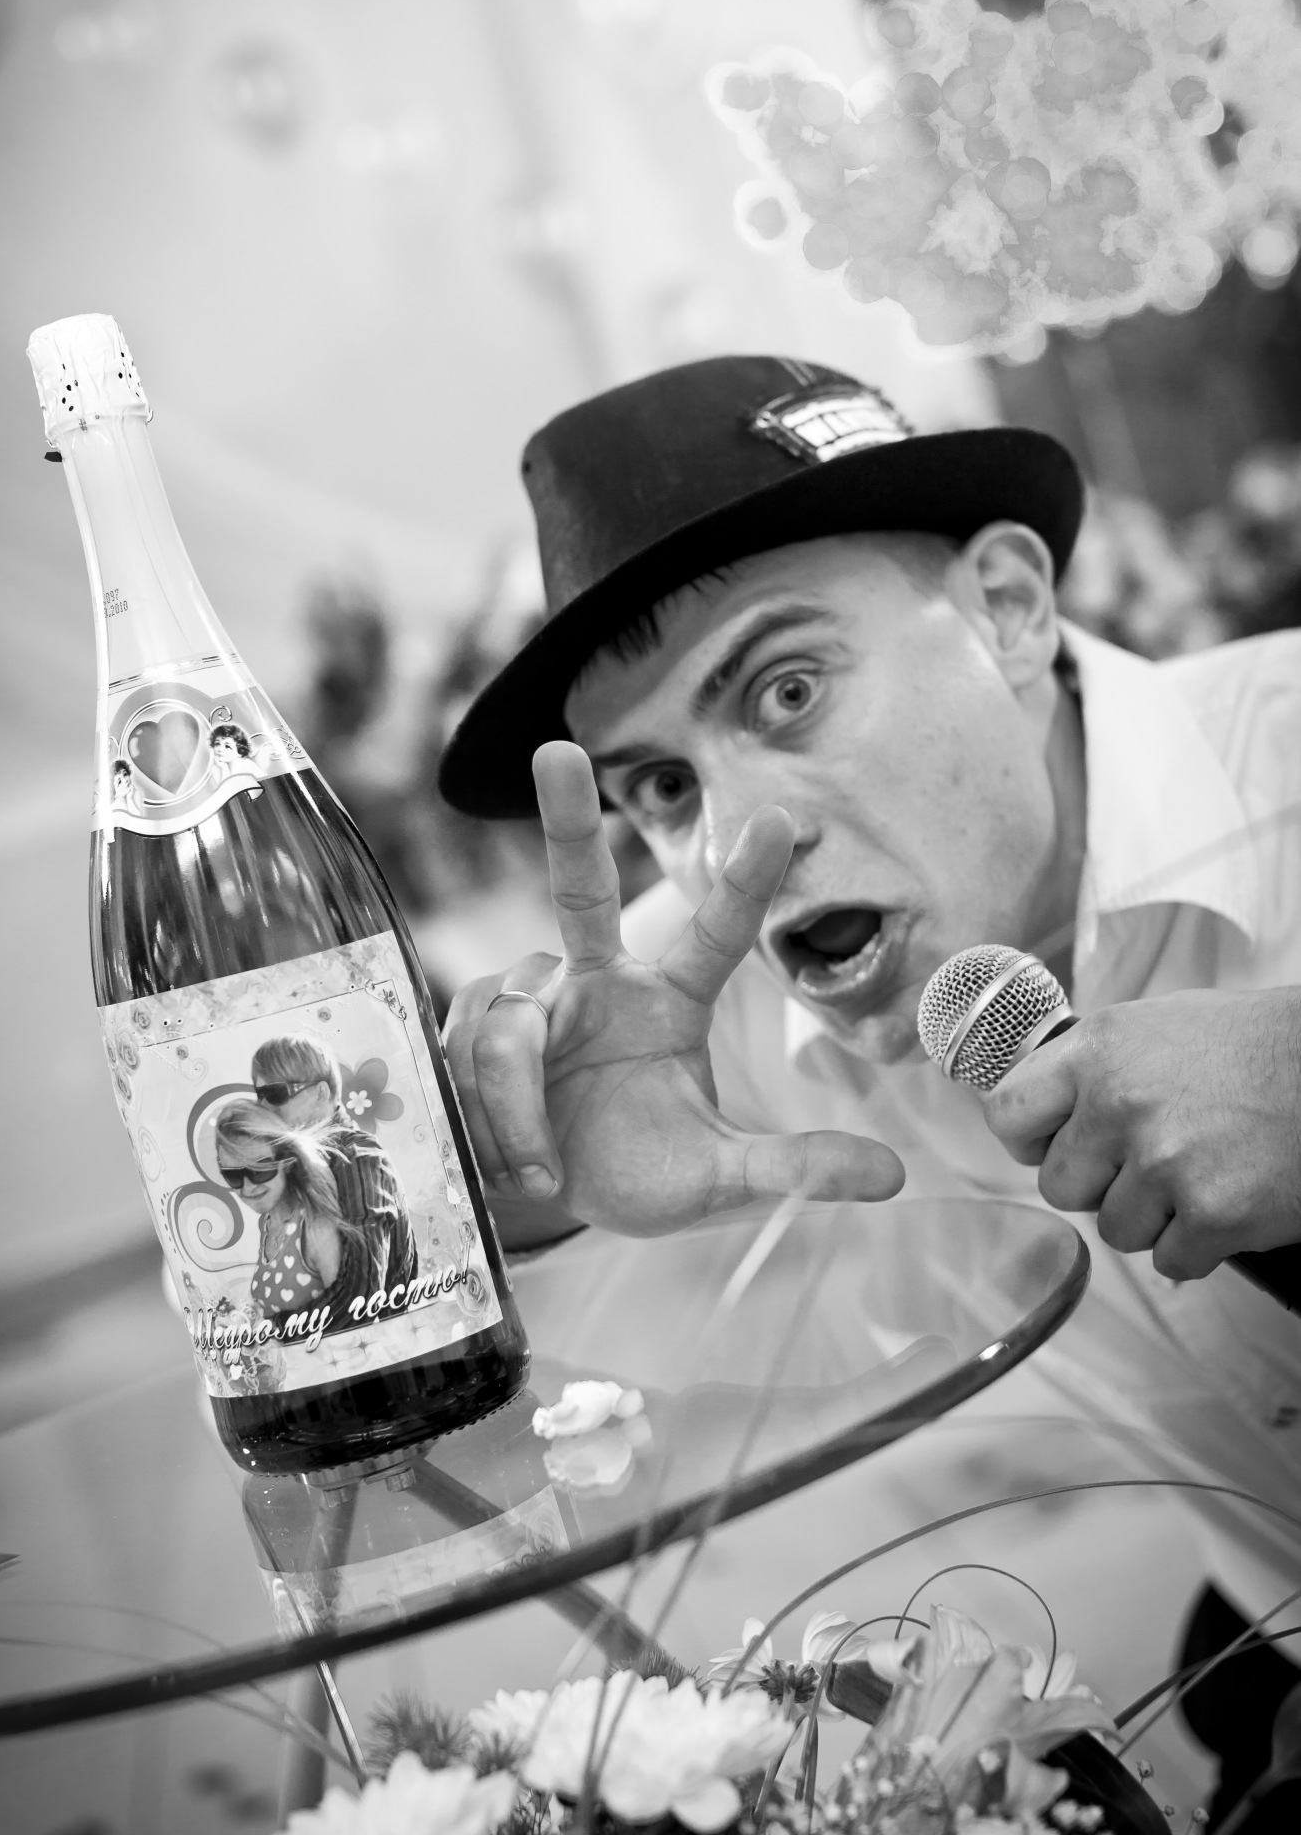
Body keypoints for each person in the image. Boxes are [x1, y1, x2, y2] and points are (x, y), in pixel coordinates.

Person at [436, 356, 1301, 1826]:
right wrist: (513, 1183)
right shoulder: (697, 986)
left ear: (1006, 609)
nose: (735, 846)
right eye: (661, 788)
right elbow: (378, 1251)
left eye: (786, 691)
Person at [250, 1034, 418, 1316]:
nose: (265, 1107)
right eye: (260, 1096)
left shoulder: (357, 1160)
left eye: (276, 1094)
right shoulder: (299, 1166)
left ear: (321, 1092)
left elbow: (361, 1300)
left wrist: (273, 1330)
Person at [214, 1100, 351, 1324]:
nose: (248, 1187)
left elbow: (348, 1316)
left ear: (286, 1161)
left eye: (259, 1170)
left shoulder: (316, 1228)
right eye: (233, 1175)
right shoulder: (268, 1224)